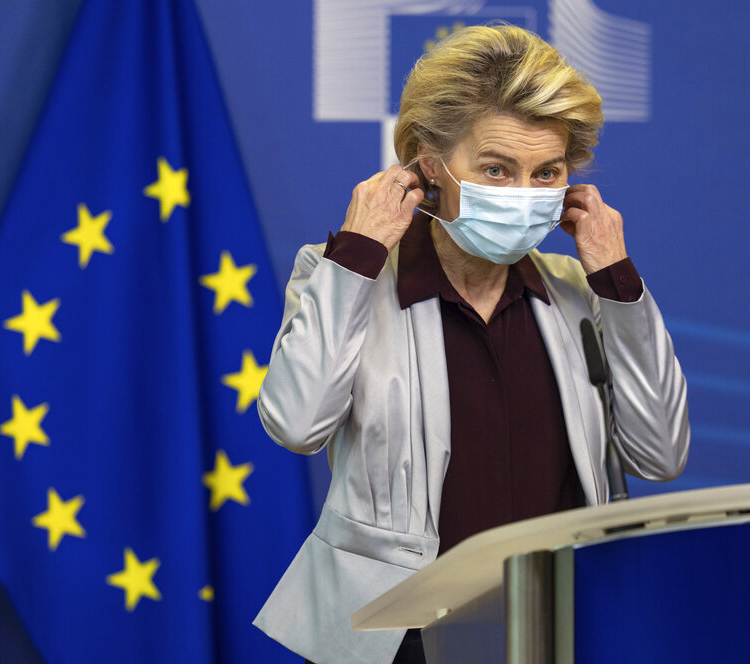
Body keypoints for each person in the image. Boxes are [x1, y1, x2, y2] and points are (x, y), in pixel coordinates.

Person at [253, 24, 690, 664]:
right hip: (398, 641)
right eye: (495, 169)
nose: (524, 195)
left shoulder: (582, 291)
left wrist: (617, 280)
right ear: (429, 163)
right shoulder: (346, 275)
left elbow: (661, 455)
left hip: (558, 630)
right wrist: (356, 257)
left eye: (547, 172)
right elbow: (295, 424)